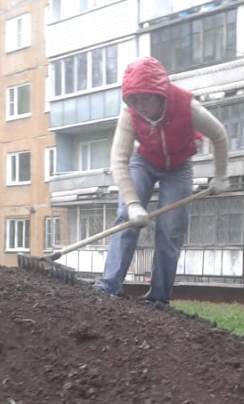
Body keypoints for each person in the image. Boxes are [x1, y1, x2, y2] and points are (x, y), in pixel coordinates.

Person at [93, 57, 230, 305]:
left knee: (170, 229)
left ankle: (159, 296)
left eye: (145, 98)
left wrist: (221, 175)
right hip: (144, 161)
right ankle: (109, 285)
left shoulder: (187, 107)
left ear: (160, 93)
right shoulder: (130, 115)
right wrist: (133, 204)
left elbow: (219, 135)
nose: (140, 106)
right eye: (133, 99)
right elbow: (119, 161)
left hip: (178, 167)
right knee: (126, 218)